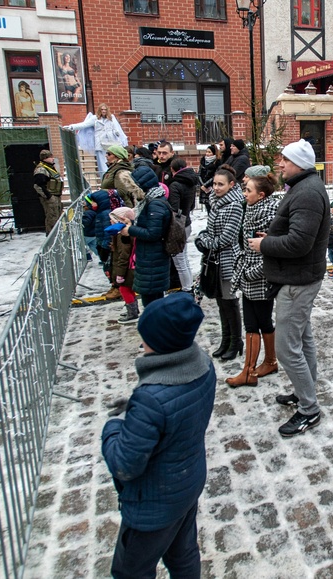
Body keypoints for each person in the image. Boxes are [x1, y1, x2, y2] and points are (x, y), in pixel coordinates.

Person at [101, 293, 215, 578]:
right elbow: (177, 408)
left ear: (163, 343)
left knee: (131, 570)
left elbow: (125, 464)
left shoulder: (151, 399)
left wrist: (112, 429)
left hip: (154, 502)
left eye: (146, 337)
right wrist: (140, 409)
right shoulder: (203, 366)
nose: (142, 343)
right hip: (187, 485)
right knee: (183, 554)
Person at [247, 139, 330, 437]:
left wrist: (264, 244)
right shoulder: (303, 187)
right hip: (298, 275)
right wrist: (273, 233)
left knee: (286, 347)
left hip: (298, 280)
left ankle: (309, 409)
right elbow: (298, 232)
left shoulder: (307, 192)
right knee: (302, 338)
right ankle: (303, 392)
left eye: (284, 159)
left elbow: (299, 243)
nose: (279, 164)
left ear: (299, 164)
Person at [226, 173, 281, 387]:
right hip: (252, 272)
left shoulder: (267, 214)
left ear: (261, 195)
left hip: (258, 276)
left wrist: (251, 273)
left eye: (248, 190)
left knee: (252, 324)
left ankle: (249, 372)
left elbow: (270, 249)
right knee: (263, 322)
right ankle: (270, 361)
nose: (244, 193)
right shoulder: (252, 209)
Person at [194, 168, 245, 360]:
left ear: (231, 185)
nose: (215, 188)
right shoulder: (216, 203)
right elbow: (209, 231)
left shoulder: (234, 205)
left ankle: (236, 341)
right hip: (215, 261)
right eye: (214, 184)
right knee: (220, 302)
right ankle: (226, 340)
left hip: (228, 260)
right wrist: (204, 238)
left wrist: (204, 242)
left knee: (230, 302)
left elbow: (226, 239)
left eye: (220, 184)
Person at [120, 182, 171, 308]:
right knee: (153, 299)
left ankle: (155, 326)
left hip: (153, 257)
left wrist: (130, 230)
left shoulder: (155, 204)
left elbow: (153, 233)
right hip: (149, 256)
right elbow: (147, 225)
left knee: (152, 301)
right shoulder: (149, 202)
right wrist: (131, 223)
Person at [66, 104, 127, 176]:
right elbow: (84, 124)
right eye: (102, 109)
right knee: (102, 165)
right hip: (100, 144)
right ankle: (105, 182)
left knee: (114, 163)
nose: (104, 111)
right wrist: (71, 127)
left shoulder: (111, 118)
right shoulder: (94, 119)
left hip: (112, 143)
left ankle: (113, 180)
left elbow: (117, 128)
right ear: (99, 110)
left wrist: (120, 137)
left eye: (105, 109)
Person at [168, 157, 198, 293]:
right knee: (183, 257)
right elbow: (191, 205)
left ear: (173, 170)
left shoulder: (175, 185)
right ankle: (188, 285)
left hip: (178, 226)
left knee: (179, 260)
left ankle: (187, 289)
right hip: (187, 222)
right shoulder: (191, 182)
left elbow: (174, 208)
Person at [107, 207, 139, 324]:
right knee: (128, 289)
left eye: (112, 219)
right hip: (128, 268)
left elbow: (123, 256)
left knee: (125, 289)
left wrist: (119, 274)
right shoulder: (122, 233)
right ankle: (133, 310)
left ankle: (132, 313)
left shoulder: (123, 235)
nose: (110, 222)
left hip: (127, 270)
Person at [102, 145, 144, 209]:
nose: (106, 156)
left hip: (121, 207)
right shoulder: (113, 169)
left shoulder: (120, 171)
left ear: (117, 156)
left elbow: (122, 191)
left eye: (109, 154)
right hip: (113, 205)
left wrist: (102, 191)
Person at [33, 150, 63, 235]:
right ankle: (52, 236)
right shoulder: (41, 169)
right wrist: (49, 196)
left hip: (55, 196)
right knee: (52, 218)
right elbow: (38, 185)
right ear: (45, 158)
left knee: (56, 216)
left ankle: (57, 235)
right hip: (50, 198)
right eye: (51, 157)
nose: (53, 158)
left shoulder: (49, 167)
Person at [198, 144, 220, 213]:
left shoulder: (217, 162)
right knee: (208, 208)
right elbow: (199, 174)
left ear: (213, 153)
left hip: (212, 187)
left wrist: (206, 185)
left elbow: (216, 175)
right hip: (204, 189)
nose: (207, 154)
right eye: (206, 152)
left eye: (209, 152)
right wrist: (202, 185)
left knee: (213, 209)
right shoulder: (203, 162)